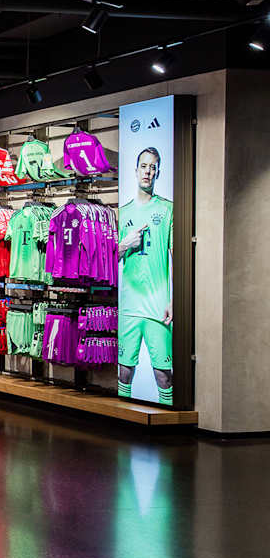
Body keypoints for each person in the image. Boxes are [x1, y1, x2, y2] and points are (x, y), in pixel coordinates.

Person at [118, 147, 174, 403]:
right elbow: (111, 257)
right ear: (136, 169)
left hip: (158, 306)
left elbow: (176, 258)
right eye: (144, 166)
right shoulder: (124, 212)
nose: (148, 171)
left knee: (164, 374)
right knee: (124, 371)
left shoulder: (168, 210)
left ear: (158, 171)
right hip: (129, 305)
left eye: (153, 167)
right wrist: (125, 244)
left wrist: (173, 299)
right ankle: (124, 422)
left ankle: (169, 430)